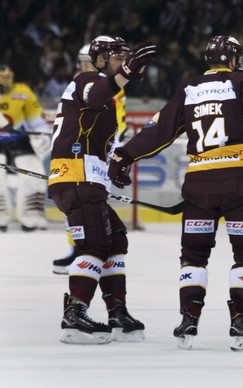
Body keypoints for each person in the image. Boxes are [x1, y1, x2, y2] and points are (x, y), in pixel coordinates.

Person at [107, 35, 243, 351]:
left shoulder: (189, 87)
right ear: (235, 60)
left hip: (199, 185)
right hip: (240, 183)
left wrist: (123, 155)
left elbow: (159, 131)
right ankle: (242, 321)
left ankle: (188, 317)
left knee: (194, 255)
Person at [48, 35, 156, 344]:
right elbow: (96, 93)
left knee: (116, 237)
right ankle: (75, 313)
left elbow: (97, 136)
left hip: (86, 177)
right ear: (99, 60)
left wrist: (114, 166)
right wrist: (128, 72)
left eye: (126, 56)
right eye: (117, 56)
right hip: (76, 177)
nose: (123, 60)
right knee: (94, 244)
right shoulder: (88, 79)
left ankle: (117, 311)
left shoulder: (107, 93)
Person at [52, 44, 130, 274]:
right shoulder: (90, 81)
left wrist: (117, 150)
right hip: (85, 159)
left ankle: (84, 251)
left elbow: (115, 122)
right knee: (86, 213)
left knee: (92, 214)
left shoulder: (98, 83)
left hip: (97, 154)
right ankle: (80, 251)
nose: (82, 65)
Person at [0, 64, 50, 232]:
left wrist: (41, 135)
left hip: (20, 141)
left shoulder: (22, 92)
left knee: (34, 175)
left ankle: (32, 217)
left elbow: (37, 119)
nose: (6, 81)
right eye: (3, 77)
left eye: (8, 77)